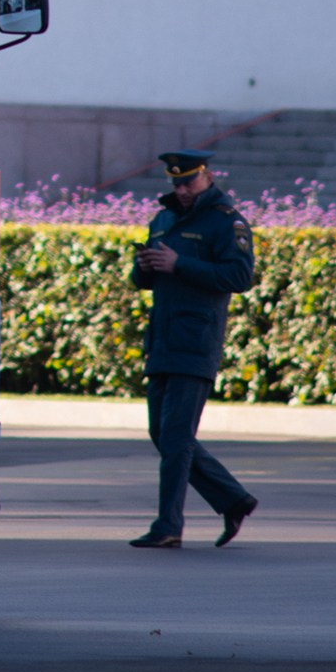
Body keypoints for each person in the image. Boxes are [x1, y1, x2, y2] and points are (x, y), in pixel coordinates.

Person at [128, 150, 260, 550]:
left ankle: (168, 525)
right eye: (176, 183)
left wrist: (179, 264)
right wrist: (144, 266)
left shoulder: (226, 221)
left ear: (208, 177)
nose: (182, 189)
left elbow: (240, 276)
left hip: (197, 340)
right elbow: (143, 280)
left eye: (189, 181)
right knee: (163, 434)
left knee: (176, 438)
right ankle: (233, 499)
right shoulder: (164, 218)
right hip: (163, 339)